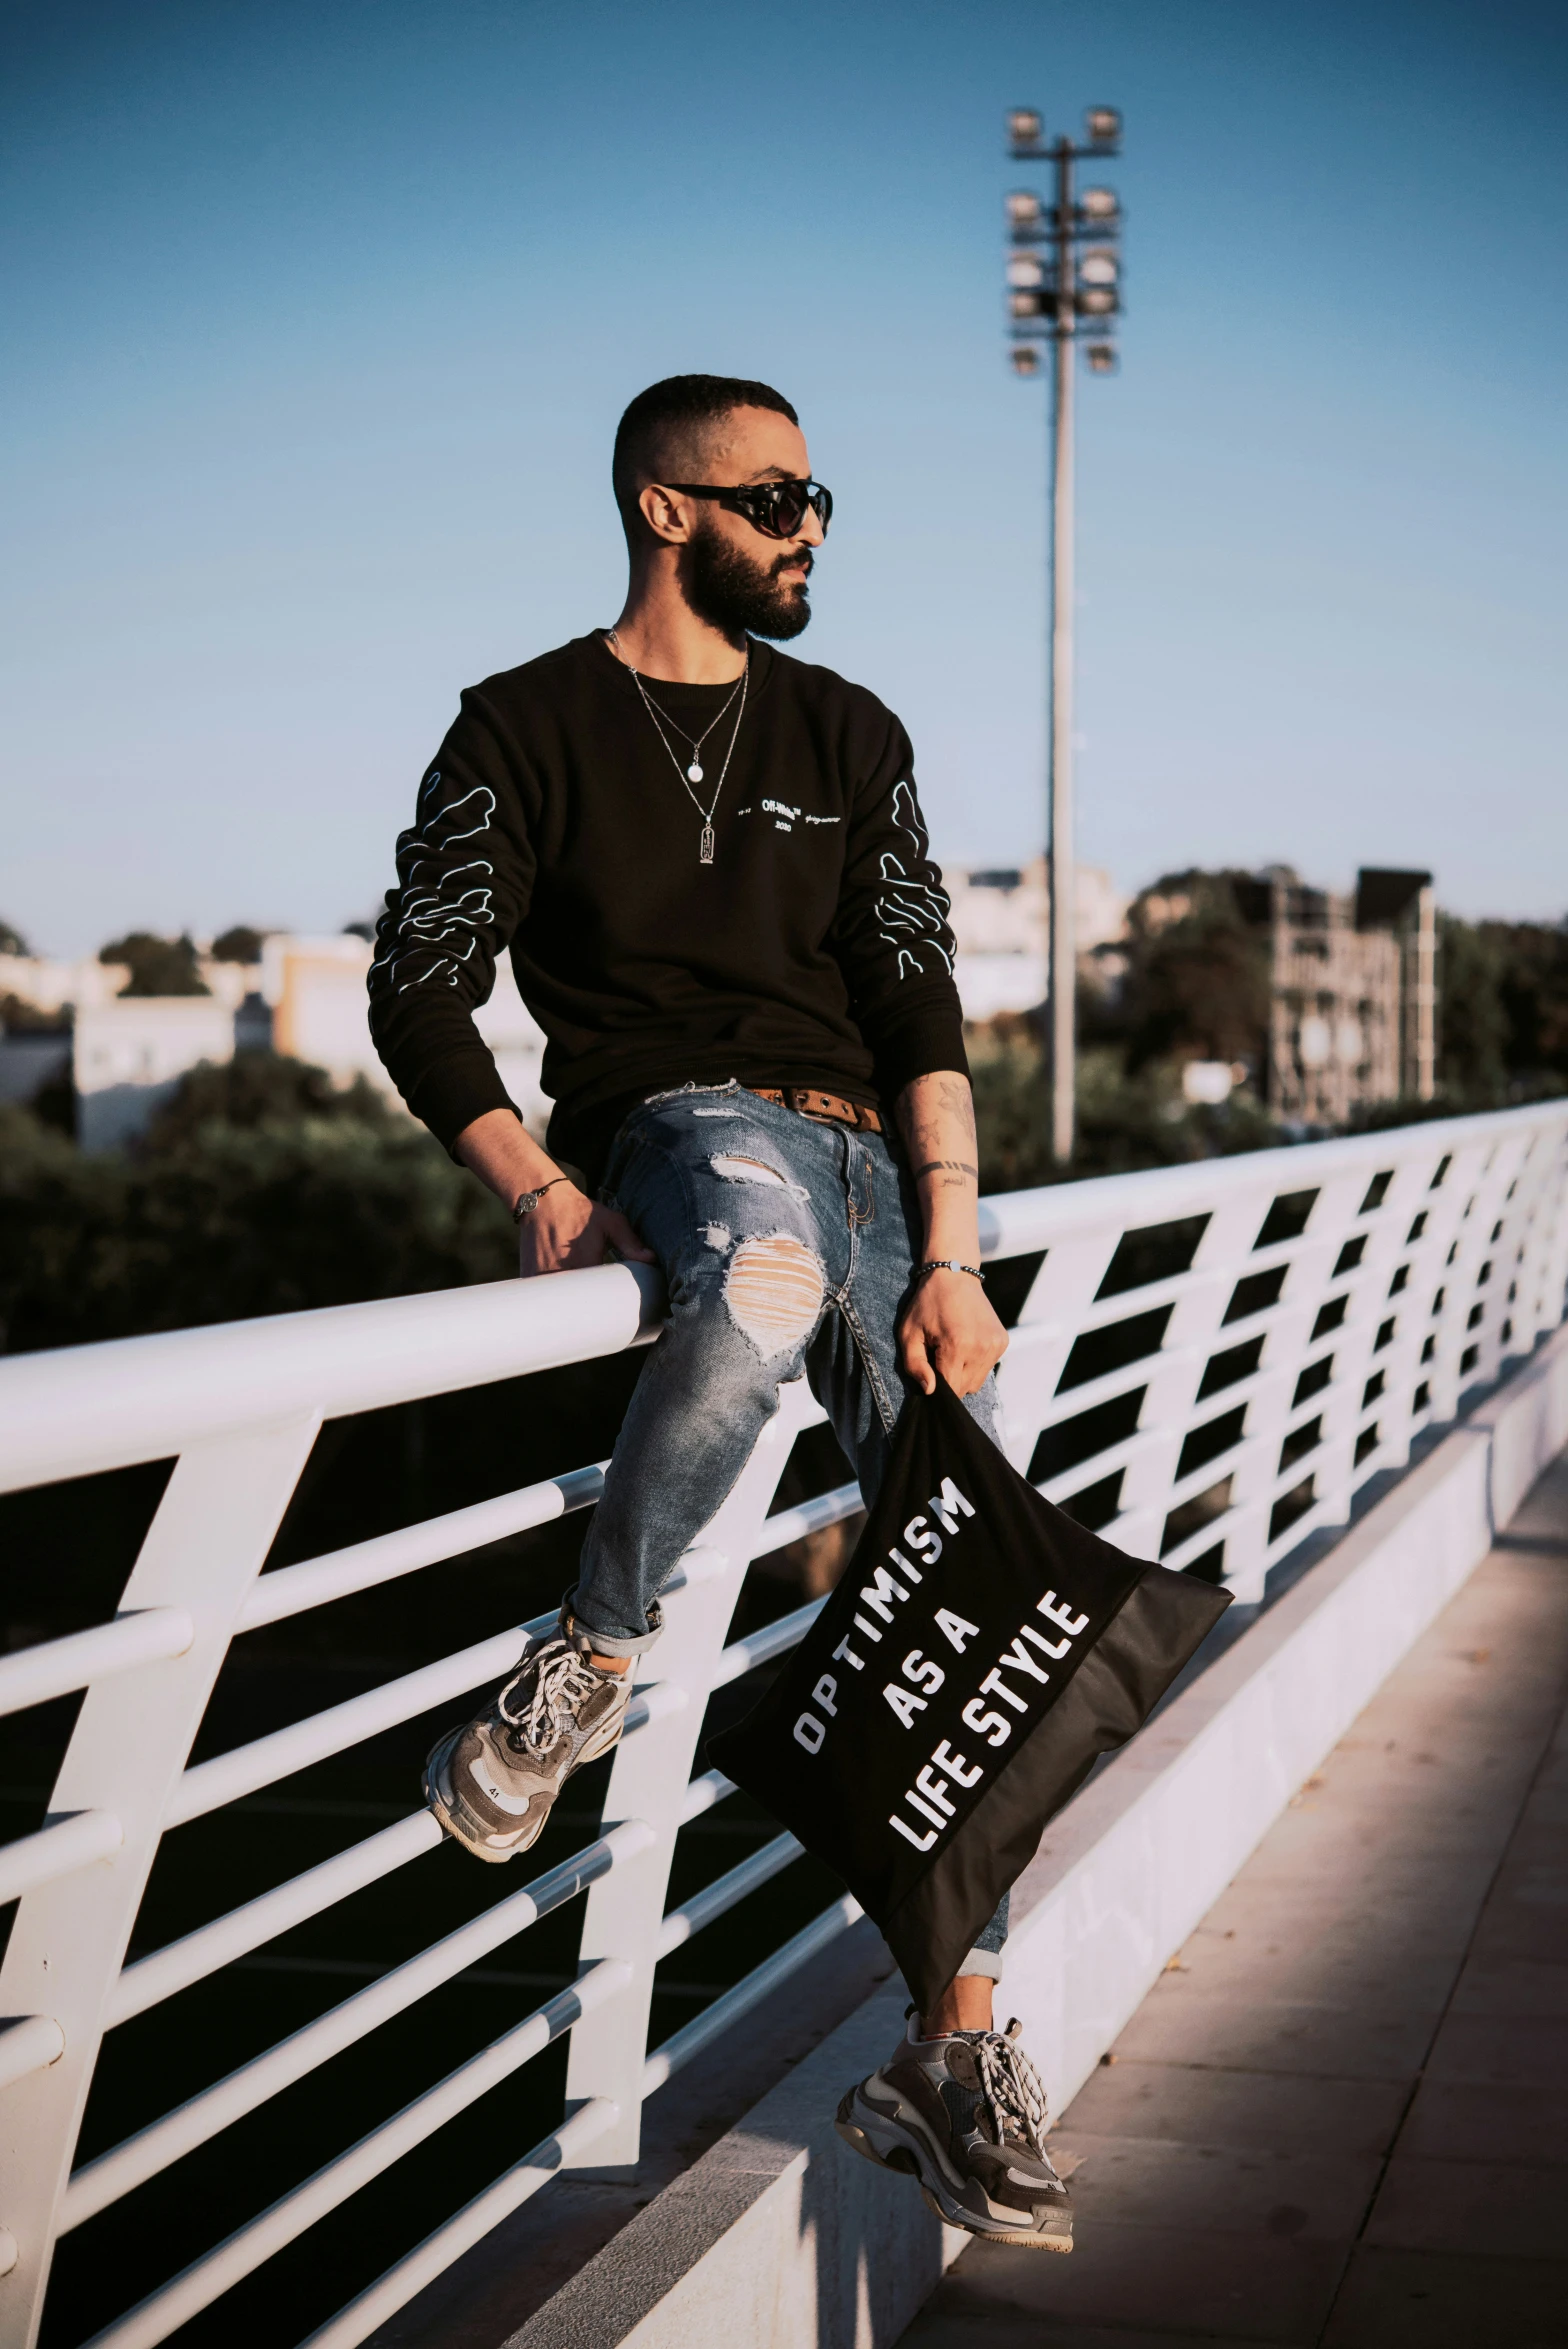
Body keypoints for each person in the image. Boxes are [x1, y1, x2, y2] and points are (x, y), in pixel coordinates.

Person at [368, 374, 1072, 2250]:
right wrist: (538, 1188)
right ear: (667, 508)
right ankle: (581, 1669)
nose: (813, 526)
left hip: (877, 1170)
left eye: (824, 496)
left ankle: (955, 2044)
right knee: (751, 1284)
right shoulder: (520, 726)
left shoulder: (849, 727)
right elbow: (420, 987)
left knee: (961, 1585)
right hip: (687, 1127)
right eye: (777, 497)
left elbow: (917, 998)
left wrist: (953, 1249)